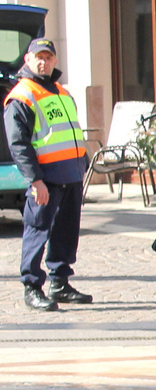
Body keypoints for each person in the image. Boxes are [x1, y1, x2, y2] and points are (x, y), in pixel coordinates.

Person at [6, 38, 91, 312]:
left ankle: (60, 282)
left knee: (66, 231)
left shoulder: (60, 91)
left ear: (55, 60)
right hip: (46, 178)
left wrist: (82, 161)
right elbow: (18, 144)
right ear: (27, 60)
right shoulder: (22, 96)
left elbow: (72, 130)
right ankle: (32, 286)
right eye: (38, 57)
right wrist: (35, 180)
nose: (44, 62)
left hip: (70, 173)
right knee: (37, 230)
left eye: (48, 57)